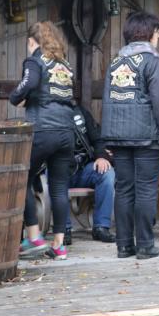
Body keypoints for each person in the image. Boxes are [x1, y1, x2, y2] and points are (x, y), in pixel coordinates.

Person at [101, 11, 159, 259]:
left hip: (119, 136)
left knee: (124, 188)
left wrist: (108, 137)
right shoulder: (152, 61)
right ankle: (145, 245)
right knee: (146, 189)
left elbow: (108, 101)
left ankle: (124, 245)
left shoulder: (116, 62)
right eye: (157, 32)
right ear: (150, 33)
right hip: (147, 137)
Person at [10, 21, 75, 260]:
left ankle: (34, 237)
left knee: (22, 179)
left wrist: (15, 97)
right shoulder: (64, 65)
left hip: (43, 130)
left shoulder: (35, 61)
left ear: (31, 42)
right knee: (59, 186)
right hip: (66, 131)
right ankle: (59, 245)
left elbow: (29, 83)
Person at [63, 105, 116, 245]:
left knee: (107, 173)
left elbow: (98, 139)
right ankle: (63, 230)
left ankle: (101, 227)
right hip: (60, 170)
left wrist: (101, 157)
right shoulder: (46, 115)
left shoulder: (80, 112)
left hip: (84, 169)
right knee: (55, 175)